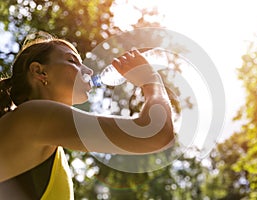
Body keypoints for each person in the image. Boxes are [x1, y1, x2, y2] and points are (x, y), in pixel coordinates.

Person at [0, 32, 174, 199]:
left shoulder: (44, 133)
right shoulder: (36, 117)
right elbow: (155, 133)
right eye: (73, 61)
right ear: (40, 72)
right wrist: (151, 80)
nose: (89, 72)